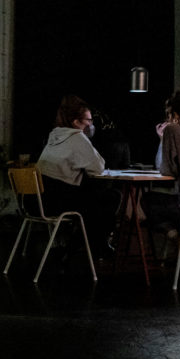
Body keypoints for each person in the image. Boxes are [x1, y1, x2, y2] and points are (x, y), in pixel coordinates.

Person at [35, 94, 119, 254]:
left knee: (95, 199)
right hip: (58, 203)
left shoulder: (55, 135)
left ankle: (78, 244)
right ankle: (88, 245)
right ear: (76, 122)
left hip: (39, 200)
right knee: (110, 197)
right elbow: (98, 167)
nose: (91, 124)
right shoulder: (76, 137)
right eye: (88, 120)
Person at [141, 91, 180, 242]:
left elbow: (164, 169)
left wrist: (162, 140)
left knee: (147, 200)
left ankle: (178, 240)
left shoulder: (173, 130)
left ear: (175, 115)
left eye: (168, 114)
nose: (167, 118)